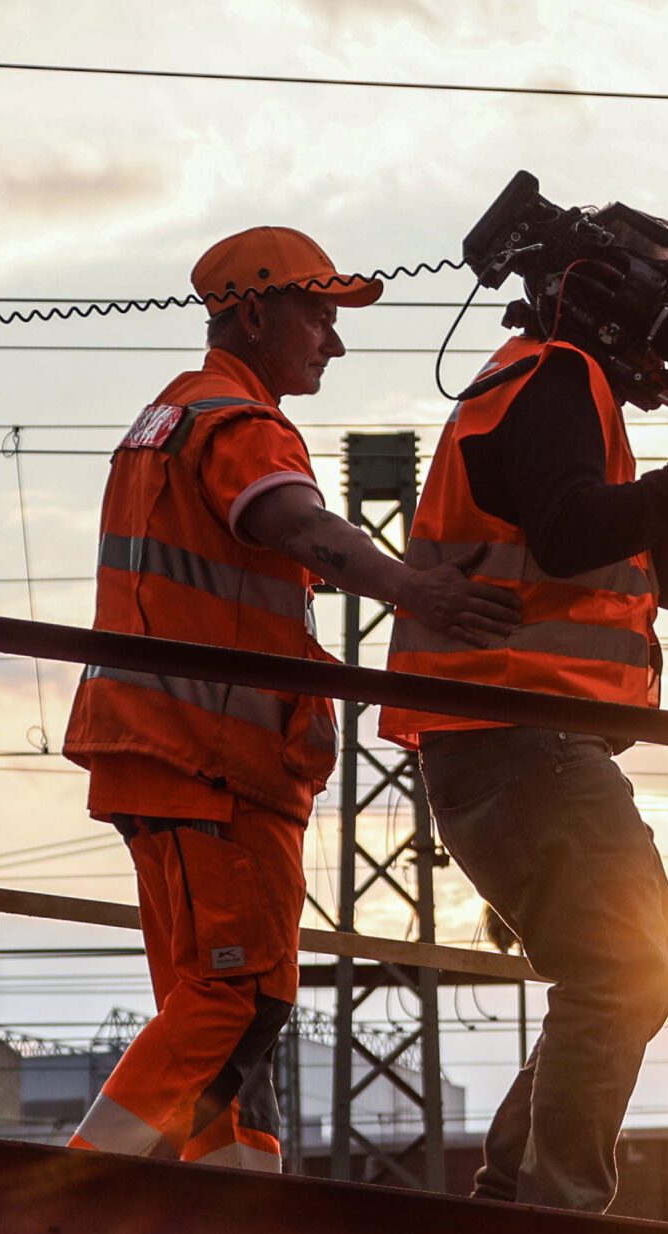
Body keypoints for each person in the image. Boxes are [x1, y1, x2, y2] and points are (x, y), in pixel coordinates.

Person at [383, 206, 668, 1210]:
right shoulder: (553, 377)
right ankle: (553, 1212)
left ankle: (517, 1195)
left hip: (525, 739)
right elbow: (571, 531)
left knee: (645, 965)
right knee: (623, 968)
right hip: (517, 732)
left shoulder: (561, 392)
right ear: (608, 295)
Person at [62, 227, 519, 1170]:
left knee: (223, 1006)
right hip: (213, 762)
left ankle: (234, 1202)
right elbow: (294, 523)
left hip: (155, 750)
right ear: (253, 315)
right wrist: (415, 590)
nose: (334, 343)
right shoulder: (238, 423)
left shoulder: (164, 420)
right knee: (240, 998)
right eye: (319, 317)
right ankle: (71, 1196)